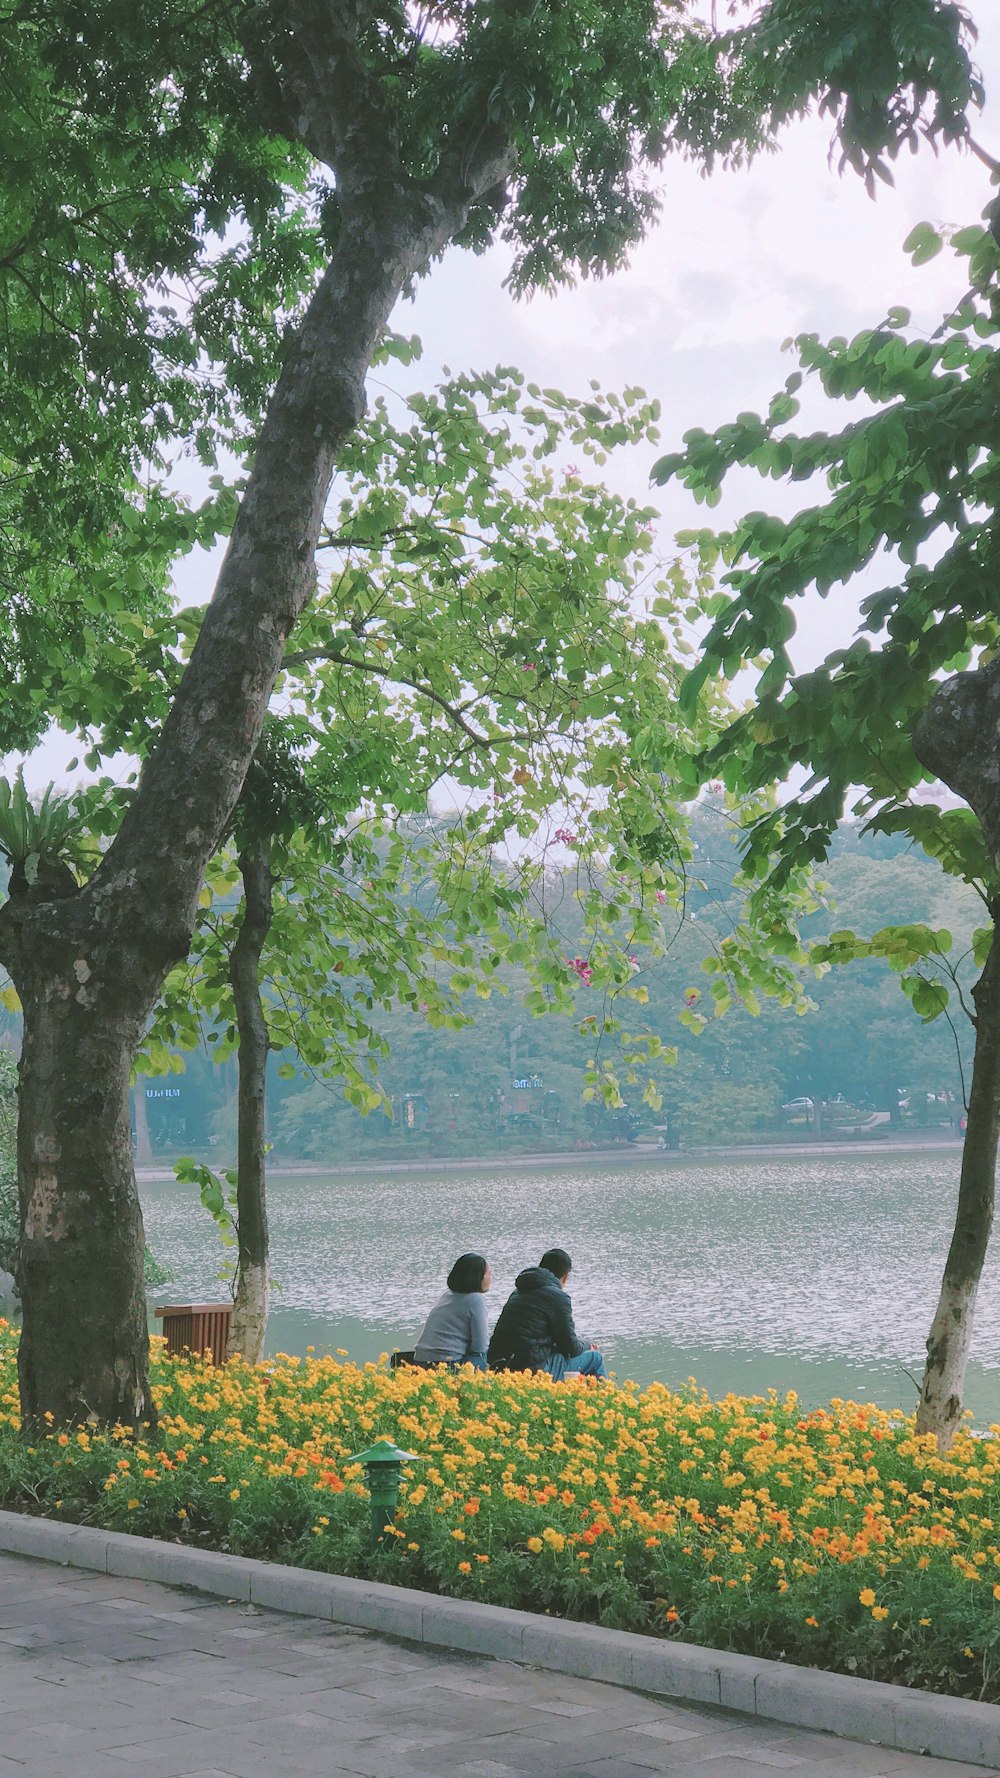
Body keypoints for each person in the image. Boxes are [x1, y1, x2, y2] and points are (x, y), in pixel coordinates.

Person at [487, 1247, 607, 1380]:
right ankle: (605, 1398)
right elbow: (571, 1348)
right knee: (595, 1358)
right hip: (530, 1371)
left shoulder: (518, 1292)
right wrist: (587, 1345)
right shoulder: (558, 1297)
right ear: (566, 1276)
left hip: (499, 1366)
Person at [413, 1253, 491, 1370]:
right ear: (478, 1276)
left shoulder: (447, 1295)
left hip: (421, 1359)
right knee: (483, 1353)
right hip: (447, 1361)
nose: (491, 1278)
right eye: (489, 1274)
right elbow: (480, 1345)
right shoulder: (476, 1299)